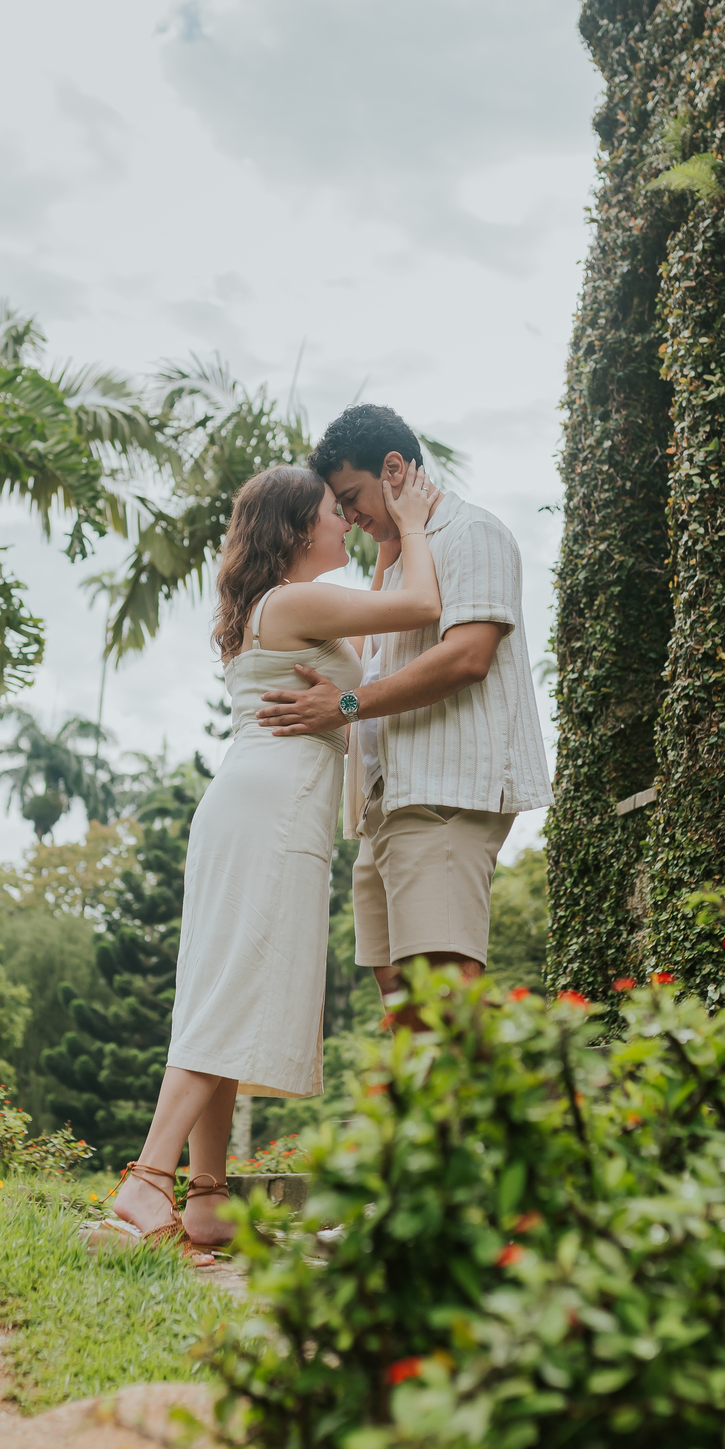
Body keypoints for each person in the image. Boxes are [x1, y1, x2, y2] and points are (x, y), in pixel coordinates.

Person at [105, 458, 439, 1259]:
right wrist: (415, 523)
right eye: (334, 511)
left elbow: (382, 614)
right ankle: (148, 1180)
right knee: (233, 985)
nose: (345, 523)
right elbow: (421, 605)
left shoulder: (277, 607)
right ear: (297, 529)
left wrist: (388, 544)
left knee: (226, 981)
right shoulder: (293, 601)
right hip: (274, 810)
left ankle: (209, 1196)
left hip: (253, 801)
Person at [257, 404, 551, 1021]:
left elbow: (467, 656)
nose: (349, 515)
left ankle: (470, 1121)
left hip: (443, 800)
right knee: (405, 1016)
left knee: (443, 1008)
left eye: (352, 496)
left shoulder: (474, 534)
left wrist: (342, 704)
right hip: (386, 810)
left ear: (394, 467)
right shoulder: (399, 563)